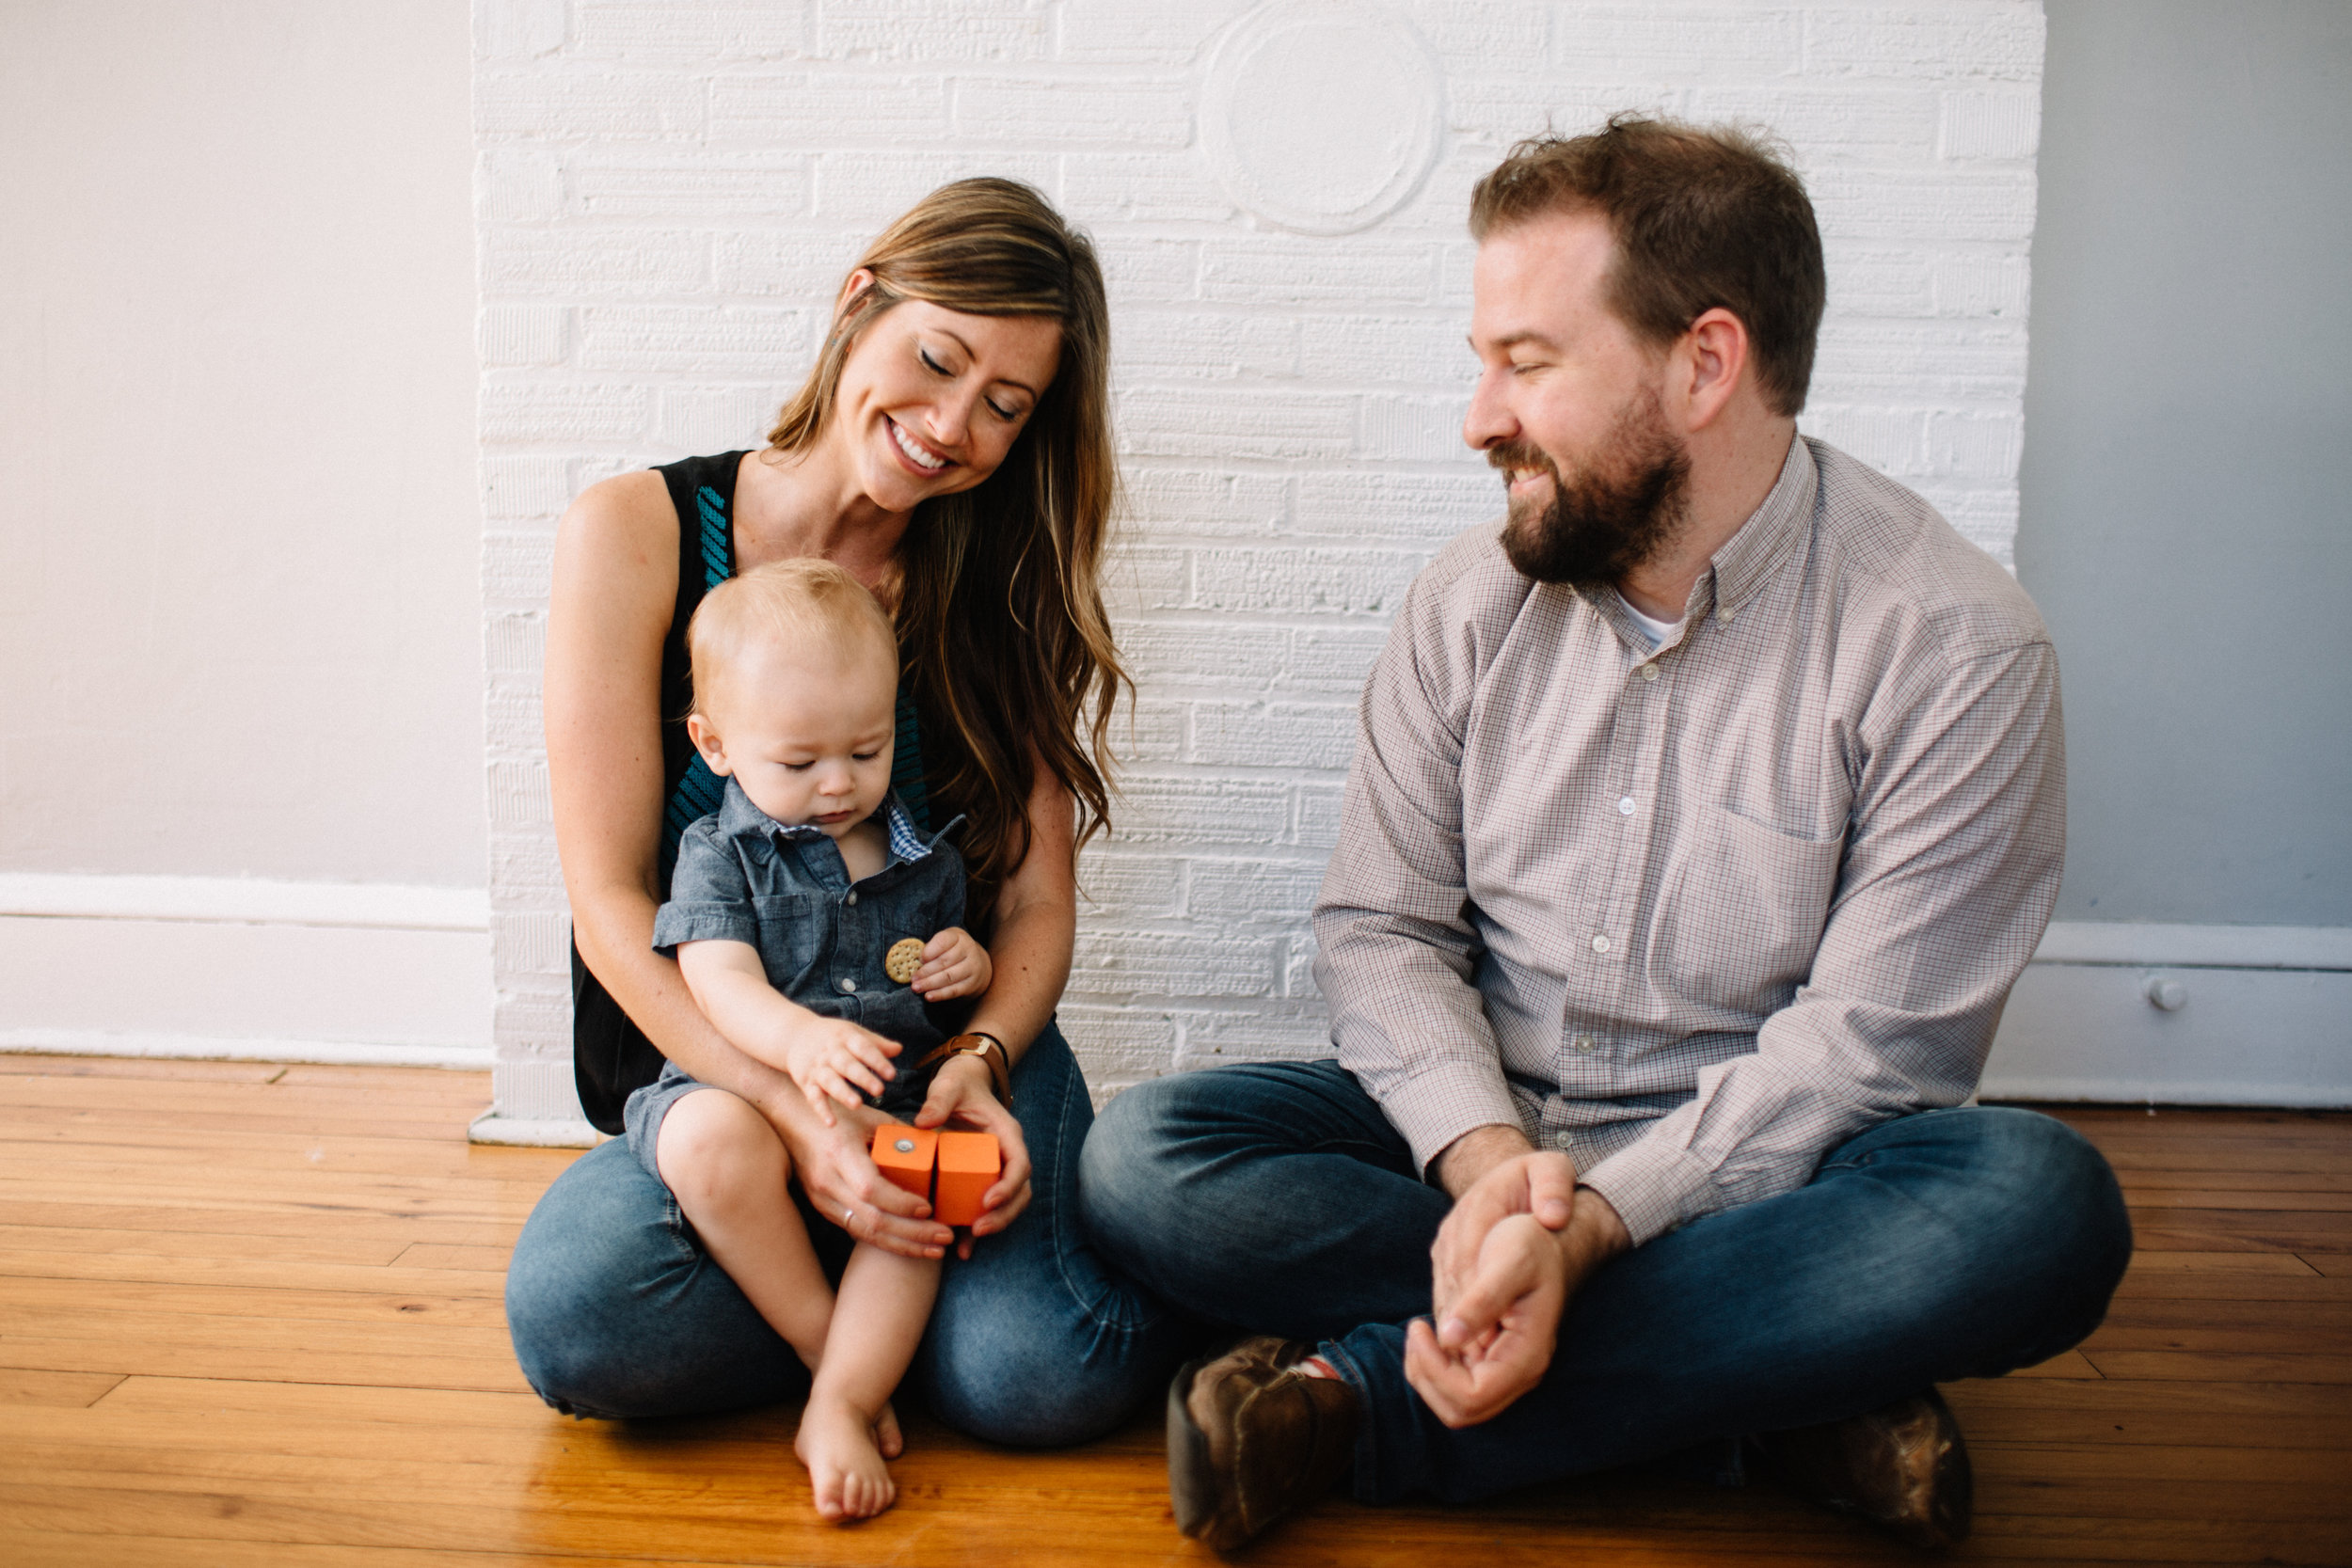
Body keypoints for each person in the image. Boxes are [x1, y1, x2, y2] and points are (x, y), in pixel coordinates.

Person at [1081, 116, 2133, 1552]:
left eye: (1527, 361)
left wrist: (1591, 1225)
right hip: (1485, 1131)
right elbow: (1382, 928)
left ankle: (1360, 1400)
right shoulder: (1469, 604)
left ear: (1705, 363)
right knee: (1147, 1157)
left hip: (1779, 1167)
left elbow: (1868, 1050)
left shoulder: (1954, 646)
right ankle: (1770, 1384)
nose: (1477, 416)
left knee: (2036, 1208)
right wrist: (1486, 1169)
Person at [505, 178, 1188, 1465]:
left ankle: (931, 1287)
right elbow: (608, 906)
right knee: (578, 1322)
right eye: (937, 358)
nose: (951, 425)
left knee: (1035, 1378)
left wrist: (980, 1056)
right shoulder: (639, 534)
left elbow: (1037, 902)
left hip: (946, 1064)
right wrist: (796, 1112)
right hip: (728, 1072)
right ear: (855, 304)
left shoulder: (998, 576)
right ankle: (865, 1317)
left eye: (1005, 404)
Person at [632, 558, 995, 1520]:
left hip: (884, 1102)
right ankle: (817, 1339)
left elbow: (945, 989)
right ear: (714, 743)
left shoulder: (924, 855)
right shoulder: (718, 853)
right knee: (704, 1141)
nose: (839, 784)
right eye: (799, 763)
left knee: (929, 1187)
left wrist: (970, 965)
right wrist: (794, 1045)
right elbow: (717, 980)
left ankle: (840, 1396)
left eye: (866, 750)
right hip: (749, 1093)